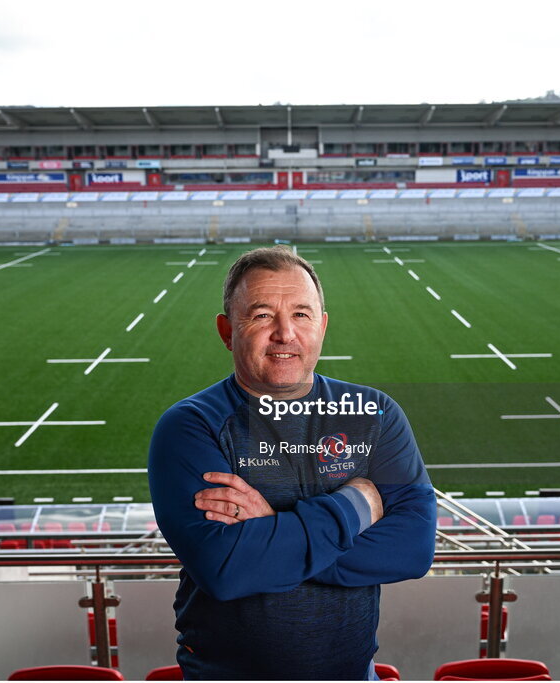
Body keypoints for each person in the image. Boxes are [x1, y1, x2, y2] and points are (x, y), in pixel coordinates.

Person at [148, 246, 436, 680]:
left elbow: (412, 549)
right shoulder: (191, 426)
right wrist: (357, 505)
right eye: (262, 315)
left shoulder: (375, 414)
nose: (285, 333)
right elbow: (225, 568)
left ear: (322, 326)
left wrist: (270, 534)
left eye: (301, 314)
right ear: (227, 331)